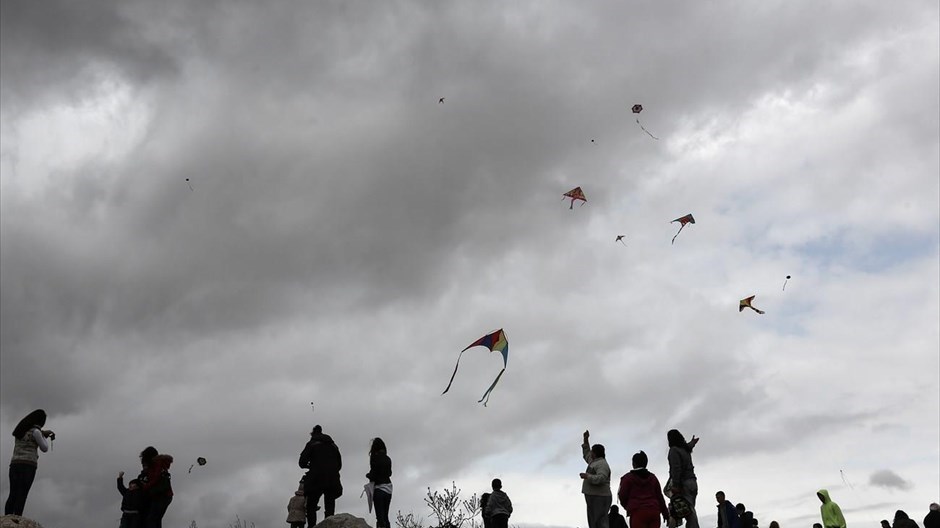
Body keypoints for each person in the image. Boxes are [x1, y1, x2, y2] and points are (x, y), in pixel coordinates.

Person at [4, 409, 54, 516]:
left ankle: (7, 517)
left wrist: (41, 433)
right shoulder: (36, 432)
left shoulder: (19, 431)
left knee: (13, 493)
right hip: (28, 466)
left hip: (15, 464)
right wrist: (43, 436)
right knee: (22, 493)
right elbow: (44, 448)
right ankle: (17, 518)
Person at [299, 424, 343, 527]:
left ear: (313, 433)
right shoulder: (333, 446)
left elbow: (302, 462)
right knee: (330, 505)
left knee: (311, 506)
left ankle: (312, 526)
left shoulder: (312, 444)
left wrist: (310, 465)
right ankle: (330, 525)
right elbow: (339, 464)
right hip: (332, 479)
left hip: (316, 478)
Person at [617, 450, 668, 528]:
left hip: (637, 512)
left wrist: (628, 506)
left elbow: (622, 495)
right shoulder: (653, 478)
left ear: (633, 464)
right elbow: (660, 497)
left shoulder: (627, 478)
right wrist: (665, 513)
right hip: (654, 511)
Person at [667, 429, 700, 528]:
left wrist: (676, 485)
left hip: (683, 484)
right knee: (689, 509)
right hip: (693, 483)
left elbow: (676, 468)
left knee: (685, 511)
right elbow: (689, 446)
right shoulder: (685, 449)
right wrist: (693, 442)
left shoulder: (674, 450)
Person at [581, 430, 613, 528]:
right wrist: (586, 440)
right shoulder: (594, 461)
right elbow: (586, 454)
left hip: (600, 497)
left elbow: (602, 478)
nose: (590, 452)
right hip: (594, 497)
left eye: (592, 451)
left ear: (595, 453)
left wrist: (588, 476)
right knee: (594, 523)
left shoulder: (602, 464)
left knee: (600, 523)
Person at [141, 453, 174, 528]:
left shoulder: (157, 464)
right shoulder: (162, 464)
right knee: (156, 518)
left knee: (151, 519)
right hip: (165, 495)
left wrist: (145, 486)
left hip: (160, 495)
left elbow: (155, 478)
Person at [367, 437, 392, 528]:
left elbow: (373, 475)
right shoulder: (388, 459)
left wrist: (368, 475)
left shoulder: (375, 458)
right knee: (385, 516)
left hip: (379, 489)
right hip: (389, 488)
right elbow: (390, 473)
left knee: (380, 518)